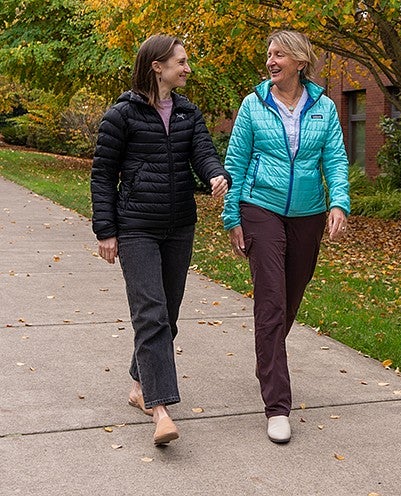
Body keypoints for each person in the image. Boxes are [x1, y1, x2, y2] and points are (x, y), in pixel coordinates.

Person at [91, 34, 231, 445]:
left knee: (167, 314)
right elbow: (102, 175)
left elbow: (203, 152)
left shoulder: (187, 112)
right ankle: (161, 408)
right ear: (157, 66)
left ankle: (138, 384)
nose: (187, 68)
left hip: (178, 226)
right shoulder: (122, 115)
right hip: (135, 226)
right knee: (150, 313)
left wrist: (215, 174)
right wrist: (107, 230)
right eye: (181, 62)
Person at [222, 30, 350, 444]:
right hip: (260, 207)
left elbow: (334, 157)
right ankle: (277, 405)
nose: (270, 61)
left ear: (299, 61)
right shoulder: (252, 104)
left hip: (308, 213)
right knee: (272, 301)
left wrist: (339, 203)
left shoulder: (324, 107)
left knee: (290, 298)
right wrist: (232, 217)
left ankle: (267, 355)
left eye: (278, 55)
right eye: (268, 55)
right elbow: (236, 162)